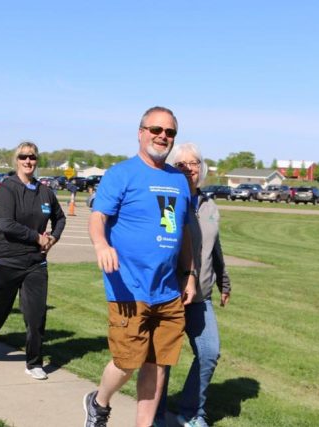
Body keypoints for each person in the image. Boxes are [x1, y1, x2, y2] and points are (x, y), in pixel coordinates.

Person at [83, 106, 196, 427]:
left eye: (169, 132)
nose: (162, 136)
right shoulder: (121, 174)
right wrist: (101, 245)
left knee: (157, 364)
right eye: (156, 130)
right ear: (141, 132)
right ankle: (98, 402)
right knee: (127, 362)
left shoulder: (178, 180)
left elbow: (184, 231)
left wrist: (189, 274)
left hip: (168, 291)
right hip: (129, 289)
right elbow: (98, 217)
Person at [0, 142, 66, 380]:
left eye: (32, 157)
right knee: (0, 308)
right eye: (23, 157)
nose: (28, 161)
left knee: (36, 314)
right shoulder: (8, 187)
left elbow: (60, 218)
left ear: (36, 160)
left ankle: (34, 362)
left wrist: (52, 238)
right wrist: (37, 237)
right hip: (5, 260)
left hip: (35, 262)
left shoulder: (45, 191)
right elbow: (6, 224)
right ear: (17, 160)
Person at [154, 143, 232, 427]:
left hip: (201, 296)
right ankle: (156, 414)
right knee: (163, 357)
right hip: (170, 293)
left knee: (209, 352)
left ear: (202, 169)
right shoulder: (168, 200)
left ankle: (190, 412)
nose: (189, 168)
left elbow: (215, 247)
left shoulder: (210, 206)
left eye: (194, 163)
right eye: (182, 164)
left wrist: (223, 281)